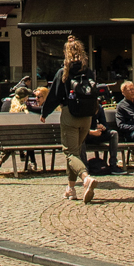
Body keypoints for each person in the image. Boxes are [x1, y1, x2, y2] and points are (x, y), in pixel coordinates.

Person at [37, 36, 101, 203]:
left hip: (70, 115)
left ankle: (86, 179)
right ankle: (71, 189)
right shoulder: (88, 71)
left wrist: (44, 113)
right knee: (75, 153)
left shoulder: (63, 72)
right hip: (86, 117)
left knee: (70, 153)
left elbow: (54, 95)